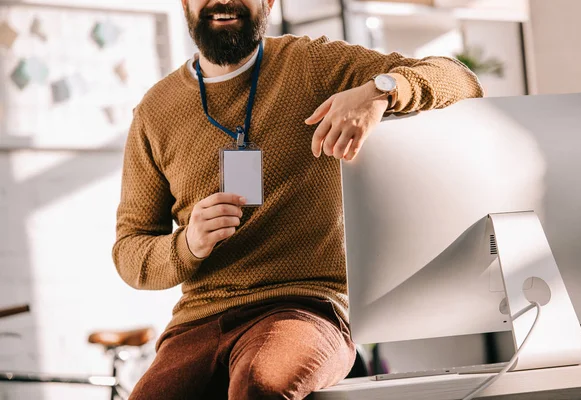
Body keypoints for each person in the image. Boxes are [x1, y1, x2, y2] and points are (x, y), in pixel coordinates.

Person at [112, 0, 484, 398]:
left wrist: (380, 91)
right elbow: (130, 251)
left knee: (261, 384)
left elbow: (461, 81)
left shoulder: (314, 64)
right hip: (198, 320)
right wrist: (186, 244)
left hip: (307, 308)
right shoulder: (155, 111)